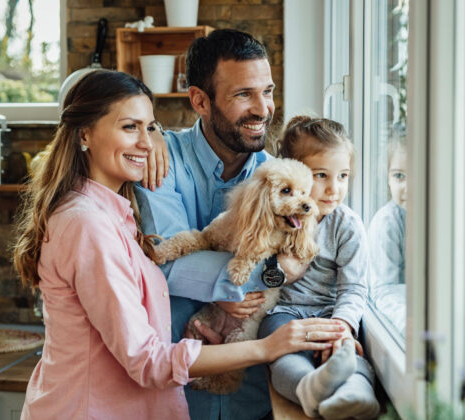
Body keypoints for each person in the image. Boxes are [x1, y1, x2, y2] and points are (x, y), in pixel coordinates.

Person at [12, 70, 345, 420]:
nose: (146, 142)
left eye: (150, 127)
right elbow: (147, 360)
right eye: (130, 127)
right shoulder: (87, 224)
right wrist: (266, 347)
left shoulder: (115, 212)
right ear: (84, 134)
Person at [135, 29, 305, 420]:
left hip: (255, 400)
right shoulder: (163, 162)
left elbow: (306, 255)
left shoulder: (277, 178)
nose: (263, 108)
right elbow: (167, 262)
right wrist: (270, 273)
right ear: (200, 100)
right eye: (244, 94)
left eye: (268, 91)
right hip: (178, 398)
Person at [257, 116, 381, 420]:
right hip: (283, 313)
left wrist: (342, 326)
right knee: (283, 358)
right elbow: (258, 266)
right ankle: (307, 387)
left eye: (343, 176)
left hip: (329, 314)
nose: (333, 189)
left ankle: (356, 393)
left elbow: (353, 287)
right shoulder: (278, 218)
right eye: (321, 175)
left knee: (350, 353)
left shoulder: (347, 226)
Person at [367, 126, 407, 335]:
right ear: (388, 178)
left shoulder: (441, 219)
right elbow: (384, 290)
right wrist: (409, 324)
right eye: (399, 176)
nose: (409, 187)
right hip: (405, 319)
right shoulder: (387, 222)